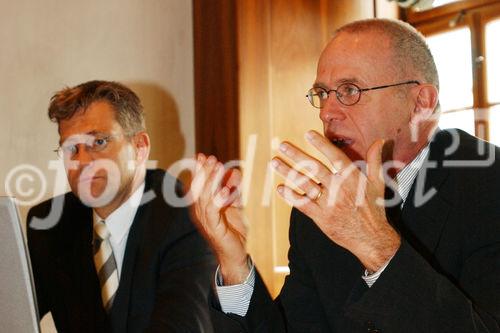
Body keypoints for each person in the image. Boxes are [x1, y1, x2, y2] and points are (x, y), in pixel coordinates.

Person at [191, 19, 500, 332]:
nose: (327, 112)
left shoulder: (489, 184)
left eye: (350, 90)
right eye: (322, 93)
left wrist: (377, 247)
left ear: (421, 102)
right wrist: (234, 265)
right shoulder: (321, 207)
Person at [27, 80, 216, 332]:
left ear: (140, 147)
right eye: (71, 148)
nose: (82, 161)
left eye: (99, 142)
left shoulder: (189, 218)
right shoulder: (51, 224)